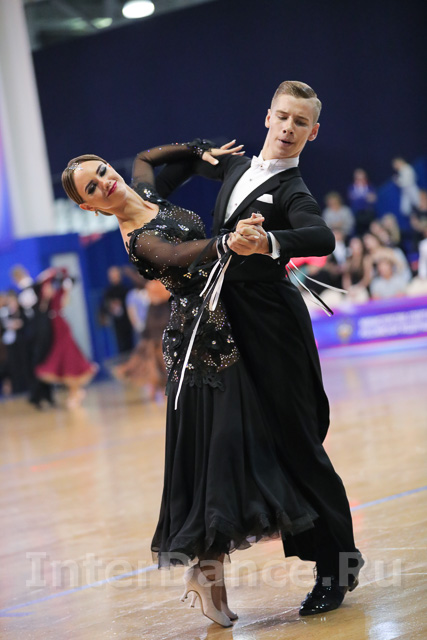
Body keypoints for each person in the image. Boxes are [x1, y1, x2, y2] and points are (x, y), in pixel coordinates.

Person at [61, 141, 322, 628]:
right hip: (199, 346)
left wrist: (200, 150)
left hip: (226, 326)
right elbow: (176, 252)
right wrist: (224, 243)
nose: (104, 183)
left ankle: (208, 576)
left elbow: (146, 157)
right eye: (92, 188)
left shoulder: (145, 190)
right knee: (217, 455)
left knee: (232, 451)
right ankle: (206, 574)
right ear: (88, 207)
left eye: (102, 171)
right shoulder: (136, 238)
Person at [152, 80, 364, 616]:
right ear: (268, 117)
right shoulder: (233, 167)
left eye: (301, 122)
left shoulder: (293, 190)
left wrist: (269, 241)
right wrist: (189, 157)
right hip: (226, 327)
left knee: (298, 444)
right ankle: (212, 567)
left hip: (273, 329)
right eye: (283, 117)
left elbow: (320, 237)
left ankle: (339, 566)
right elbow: (159, 174)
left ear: (313, 132)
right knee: (246, 444)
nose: (289, 128)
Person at [34, 268, 98, 409]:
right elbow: (42, 284)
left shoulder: (60, 293)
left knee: (69, 359)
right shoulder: (46, 298)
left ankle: (76, 392)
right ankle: (74, 392)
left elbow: (64, 296)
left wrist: (57, 277)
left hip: (62, 327)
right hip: (55, 329)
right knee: (63, 361)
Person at [10, 265, 54, 408]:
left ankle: (38, 395)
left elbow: (30, 310)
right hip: (39, 330)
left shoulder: (30, 289)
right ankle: (45, 395)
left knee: (37, 364)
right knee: (42, 362)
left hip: (36, 332)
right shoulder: (34, 287)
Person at [99, 266, 134, 354]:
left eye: (115, 276)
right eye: (111, 276)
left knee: (130, 344)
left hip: (128, 321)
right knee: (119, 345)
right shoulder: (108, 292)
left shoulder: (126, 289)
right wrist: (110, 306)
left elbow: (131, 304)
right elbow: (103, 306)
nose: (113, 278)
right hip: (115, 324)